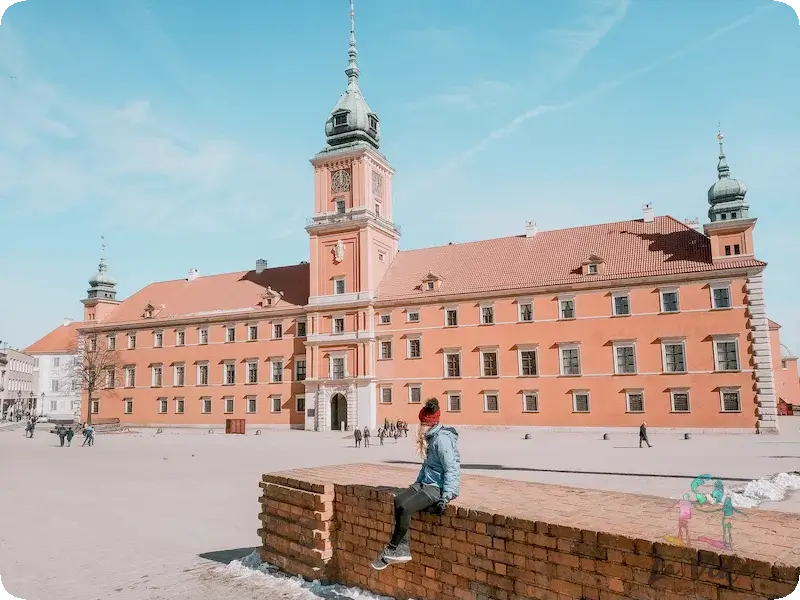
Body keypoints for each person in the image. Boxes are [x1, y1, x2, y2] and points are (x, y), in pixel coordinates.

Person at [372, 398, 460, 570]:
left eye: (421, 423)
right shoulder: (431, 437)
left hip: (437, 487)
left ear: (428, 423)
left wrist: (446, 497)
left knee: (406, 508)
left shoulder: (441, 440)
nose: (419, 426)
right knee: (399, 501)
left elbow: (452, 468)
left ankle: (392, 548)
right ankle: (403, 547)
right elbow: (427, 465)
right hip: (426, 483)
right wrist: (416, 485)